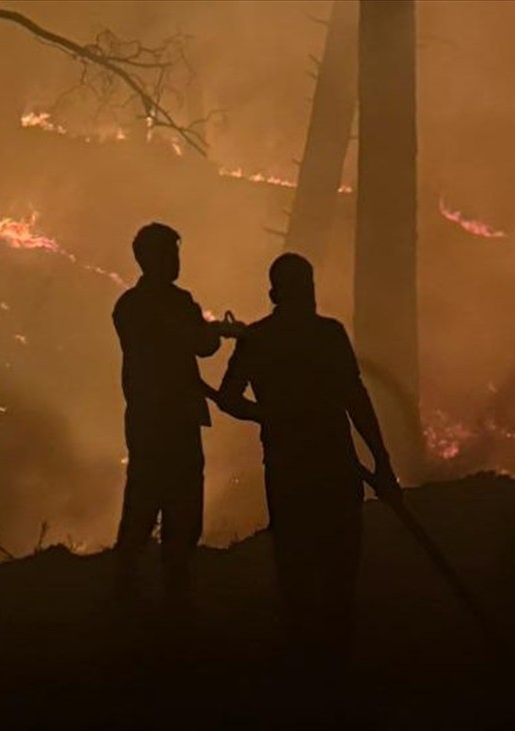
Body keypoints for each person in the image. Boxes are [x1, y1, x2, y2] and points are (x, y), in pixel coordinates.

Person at [216, 252, 399, 674]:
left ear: (273, 293)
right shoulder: (328, 335)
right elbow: (356, 400)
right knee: (339, 564)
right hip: (335, 463)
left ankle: (306, 657)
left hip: (289, 466)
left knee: (296, 563)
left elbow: (228, 398)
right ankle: (333, 658)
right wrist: (381, 460)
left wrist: (265, 414)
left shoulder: (258, 339)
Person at [112, 222, 224, 601]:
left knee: (145, 501)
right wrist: (217, 335)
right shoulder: (174, 304)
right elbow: (200, 344)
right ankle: (167, 588)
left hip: (147, 420)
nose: (176, 261)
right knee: (178, 502)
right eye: (171, 254)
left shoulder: (127, 306)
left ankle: (130, 586)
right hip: (171, 420)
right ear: (153, 258)